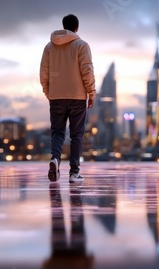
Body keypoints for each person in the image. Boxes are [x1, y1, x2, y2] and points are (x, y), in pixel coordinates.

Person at [40, 14, 96, 183]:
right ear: (76, 28)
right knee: (76, 135)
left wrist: (48, 92)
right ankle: (74, 173)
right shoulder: (82, 45)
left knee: (57, 133)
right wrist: (91, 93)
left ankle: (55, 159)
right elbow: (87, 70)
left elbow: (44, 73)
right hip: (77, 97)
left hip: (56, 96)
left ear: (63, 26)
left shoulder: (49, 47)